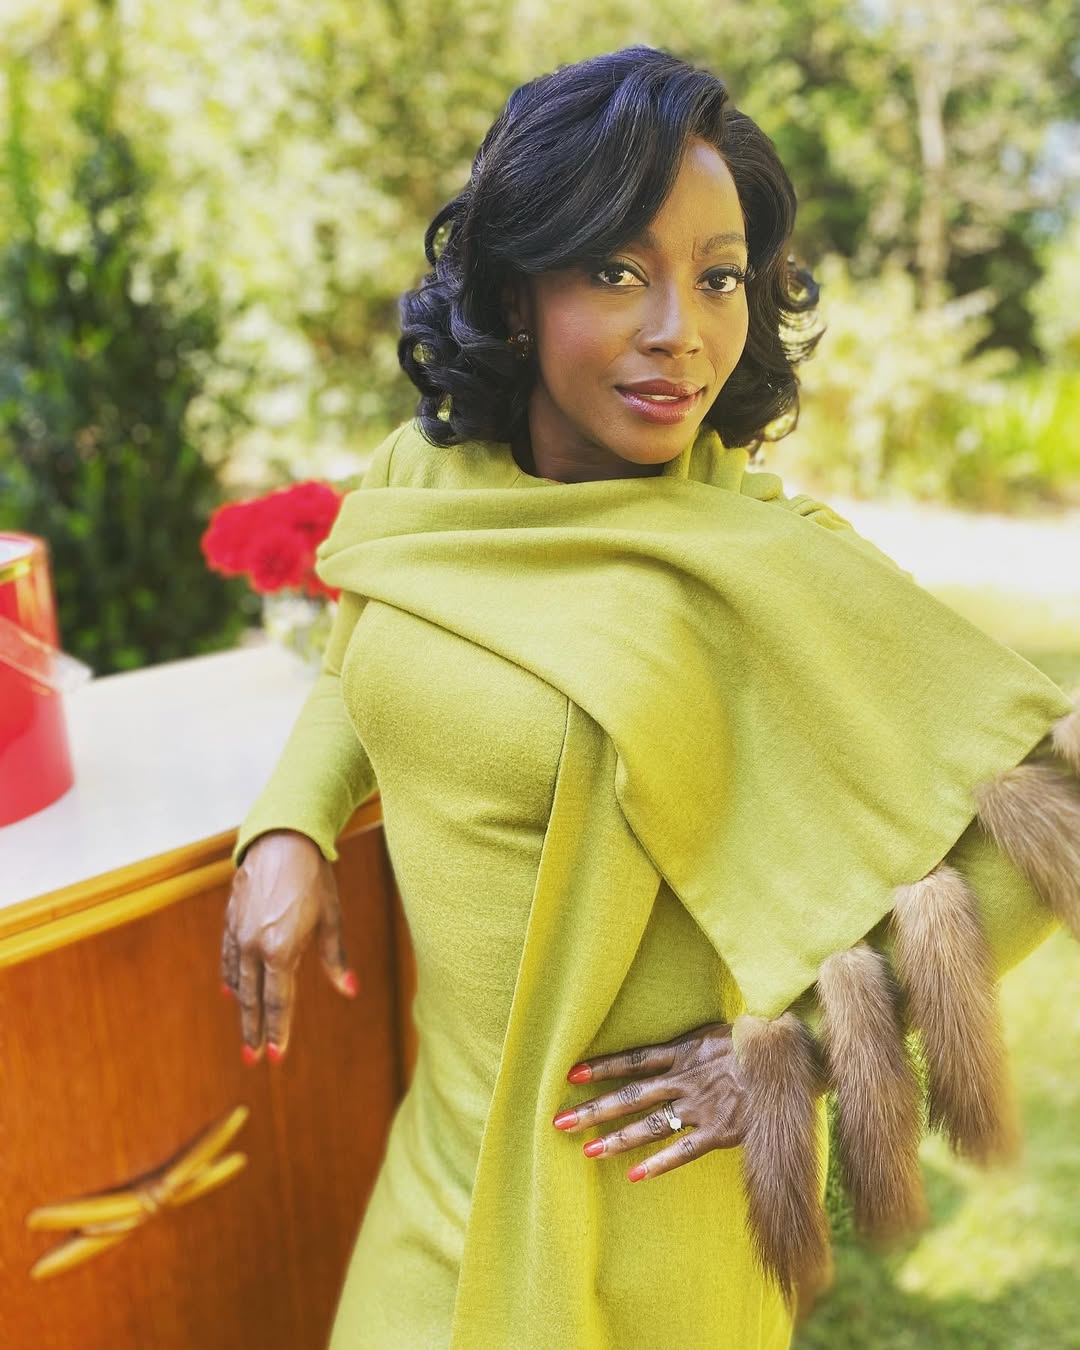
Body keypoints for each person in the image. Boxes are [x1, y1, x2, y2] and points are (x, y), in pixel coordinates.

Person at [220, 46, 1080, 1350]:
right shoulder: (429, 483)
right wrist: (290, 824)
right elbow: (368, 641)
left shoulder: (767, 568)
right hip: (440, 1178)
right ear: (516, 294)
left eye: (720, 276)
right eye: (618, 271)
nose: (683, 328)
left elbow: (1051, 804)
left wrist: (805, 1045)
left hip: (647, 1233)